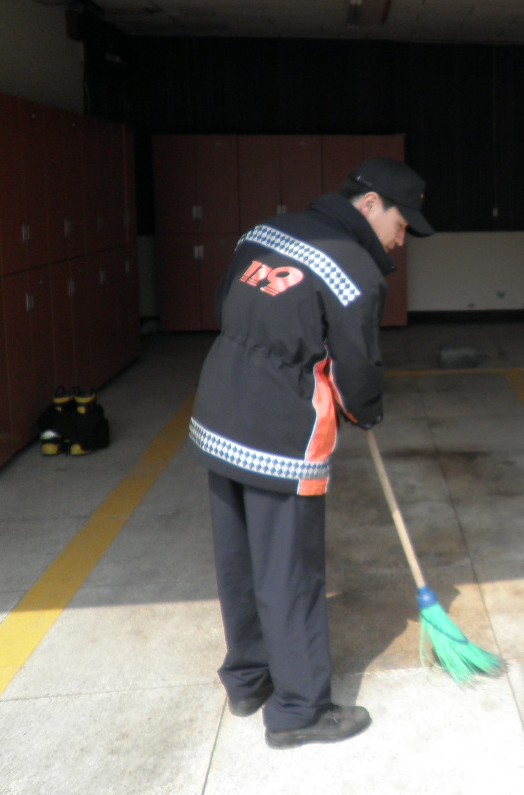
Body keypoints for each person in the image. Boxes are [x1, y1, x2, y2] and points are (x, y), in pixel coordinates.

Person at [189, 157, 433, 749]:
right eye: (401, 223)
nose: (401, 239)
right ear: (370, 205)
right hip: (281, 431)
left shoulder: (262, 232)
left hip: (220, 410)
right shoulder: (354, 271)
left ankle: (247, 679)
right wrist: (366, 411)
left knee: (240, 562)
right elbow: (357, 370)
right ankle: (299, 710)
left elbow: (226, 306)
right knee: (289, 573)